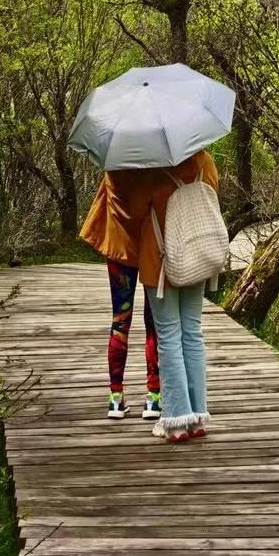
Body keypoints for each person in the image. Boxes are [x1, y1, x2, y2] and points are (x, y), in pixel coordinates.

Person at [80, 148, 218, 442]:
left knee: (169, 335)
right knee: (193, 333)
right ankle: (197, 417)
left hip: (161, 261)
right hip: (197, 256)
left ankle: (176, 420)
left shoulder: (154, 170)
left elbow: (135, 213)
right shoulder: (204, 161)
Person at [79, 178, 161, 422]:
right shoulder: (155, 167)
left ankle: (116, 398)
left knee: (120, 321)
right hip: (151, 246)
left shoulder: (114, 167)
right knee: (153, 323)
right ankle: (153, 397)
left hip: (118, 245)